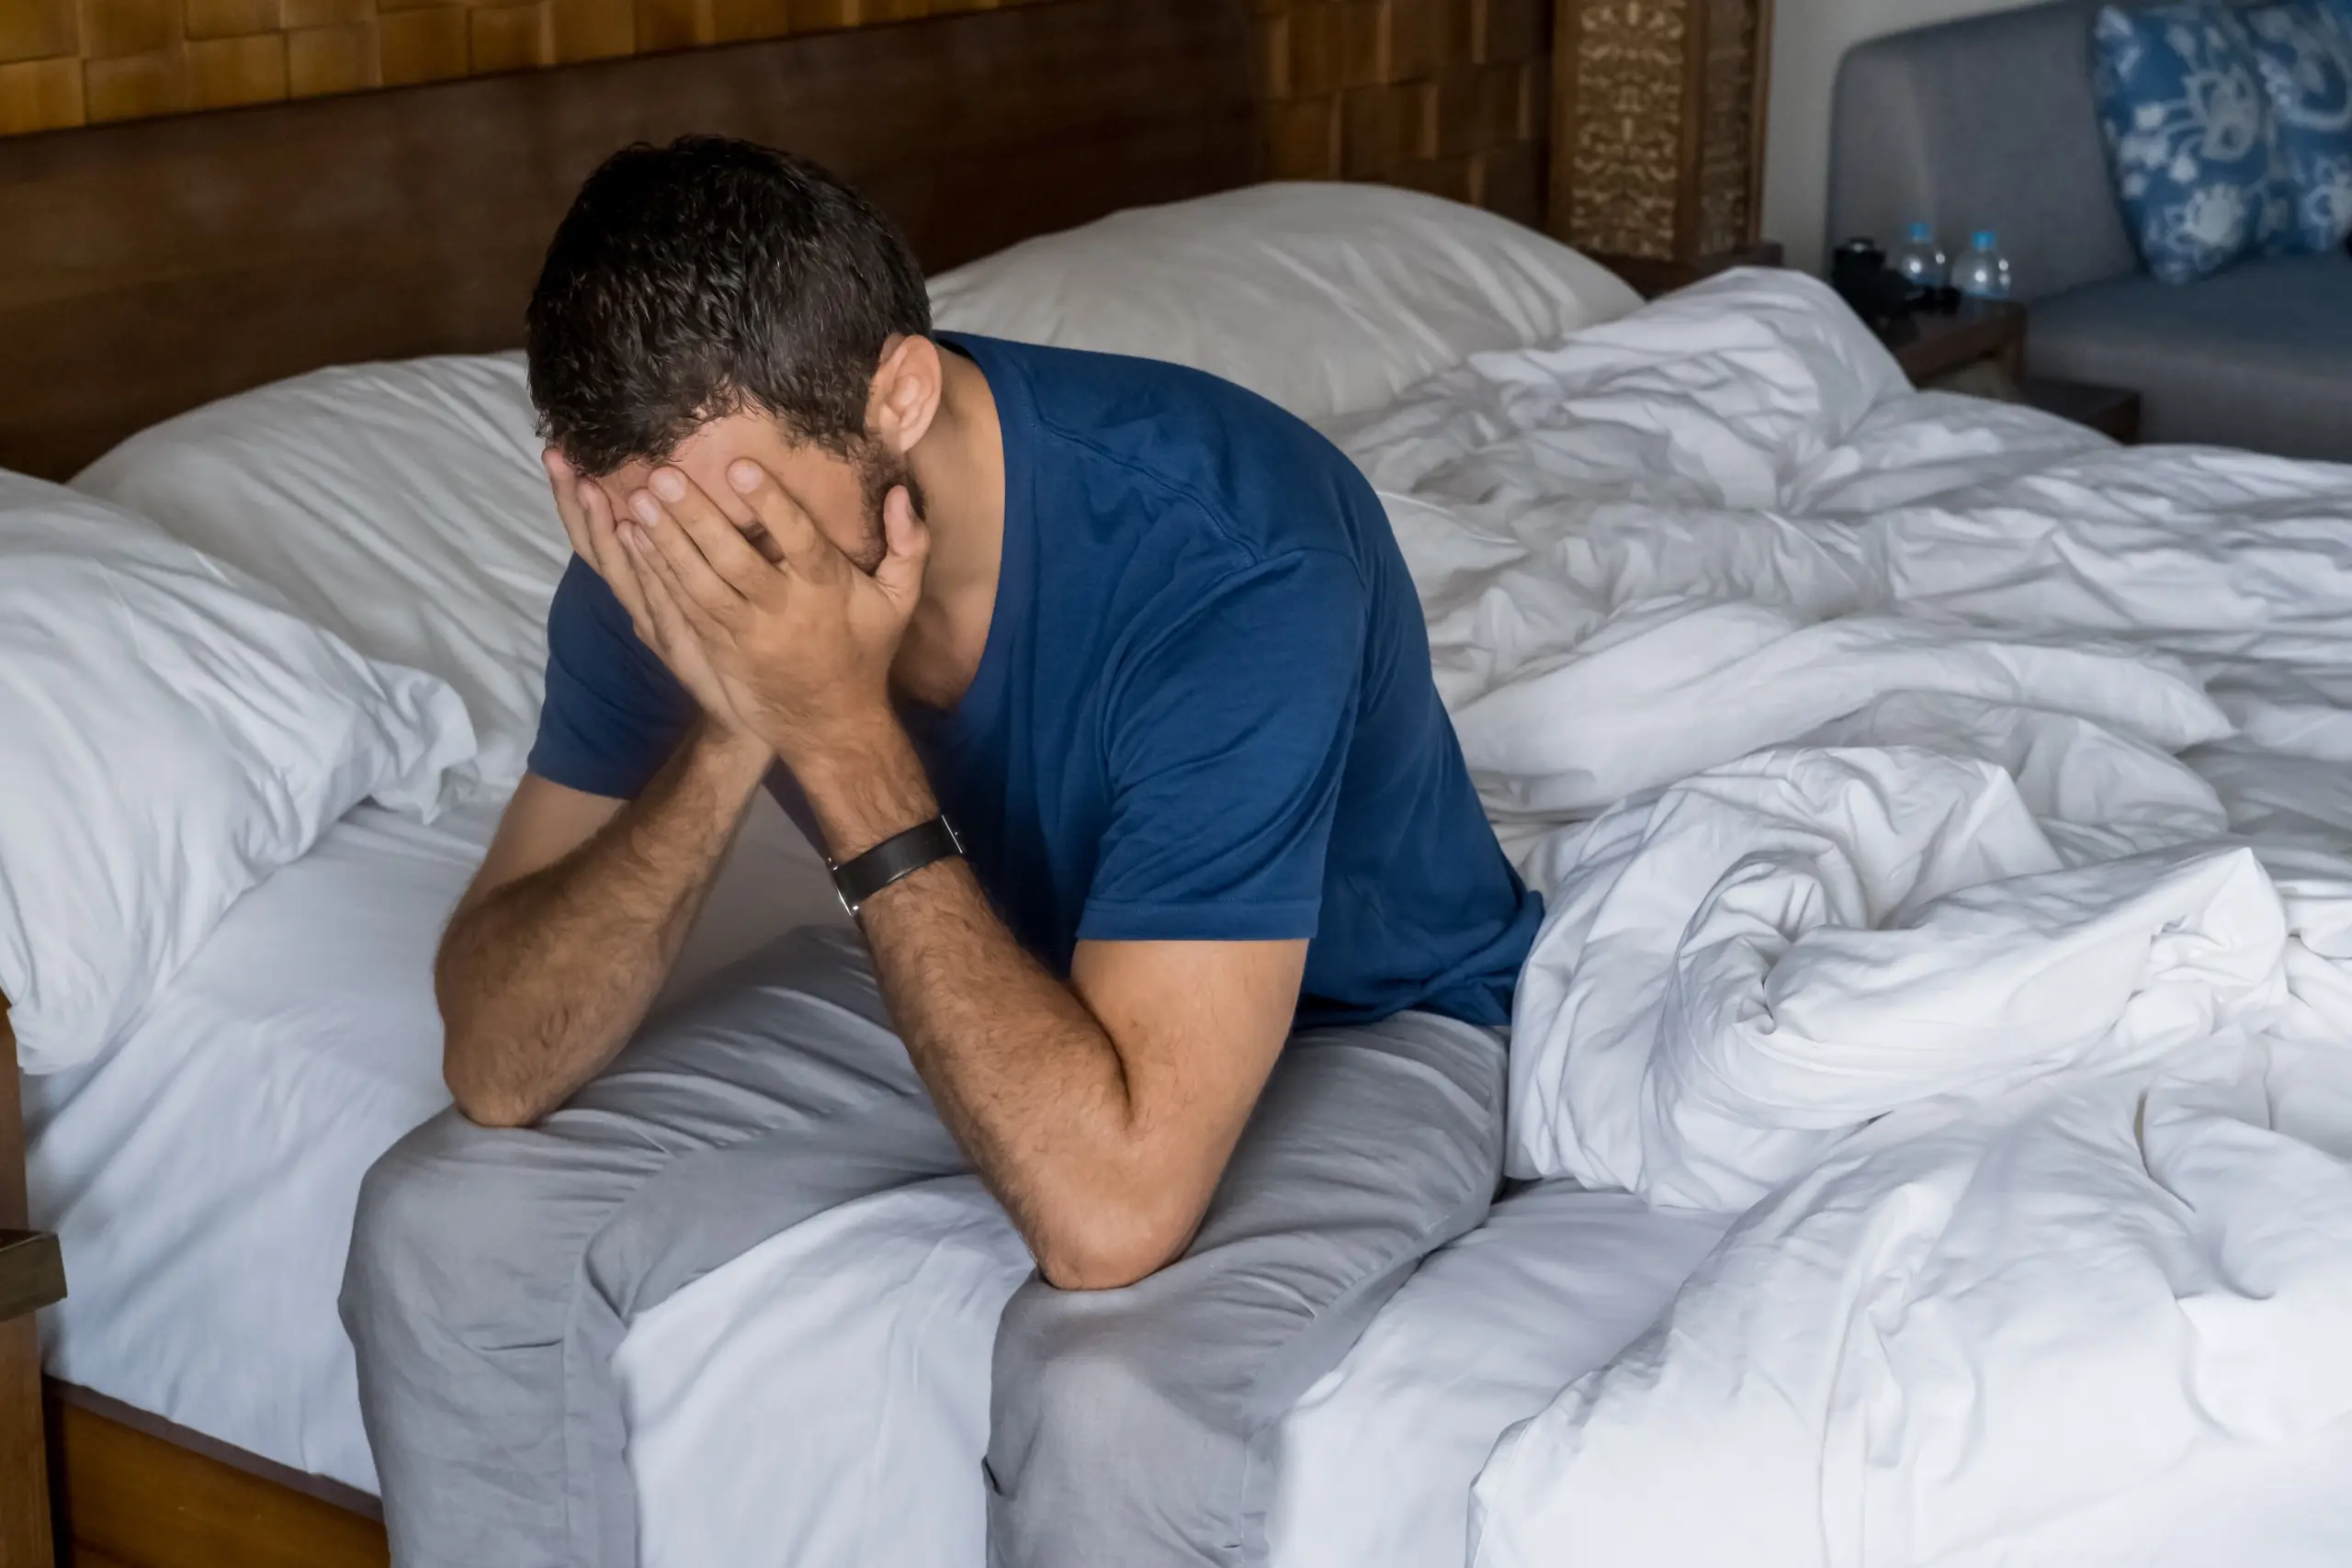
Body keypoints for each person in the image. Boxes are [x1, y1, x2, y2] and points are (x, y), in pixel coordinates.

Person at [340, 135, 1541, 1568]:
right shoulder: (672, 546)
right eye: (655, 538)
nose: (709, 580)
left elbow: (1107, 1213)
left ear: (897, 394)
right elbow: (498, 1058)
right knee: (444, 1225)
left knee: (1109, 1397)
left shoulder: (1237, 553)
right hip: (964, 940)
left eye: (747, 533)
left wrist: (833, 735)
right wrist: (739, 720)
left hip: (1359, 1014)